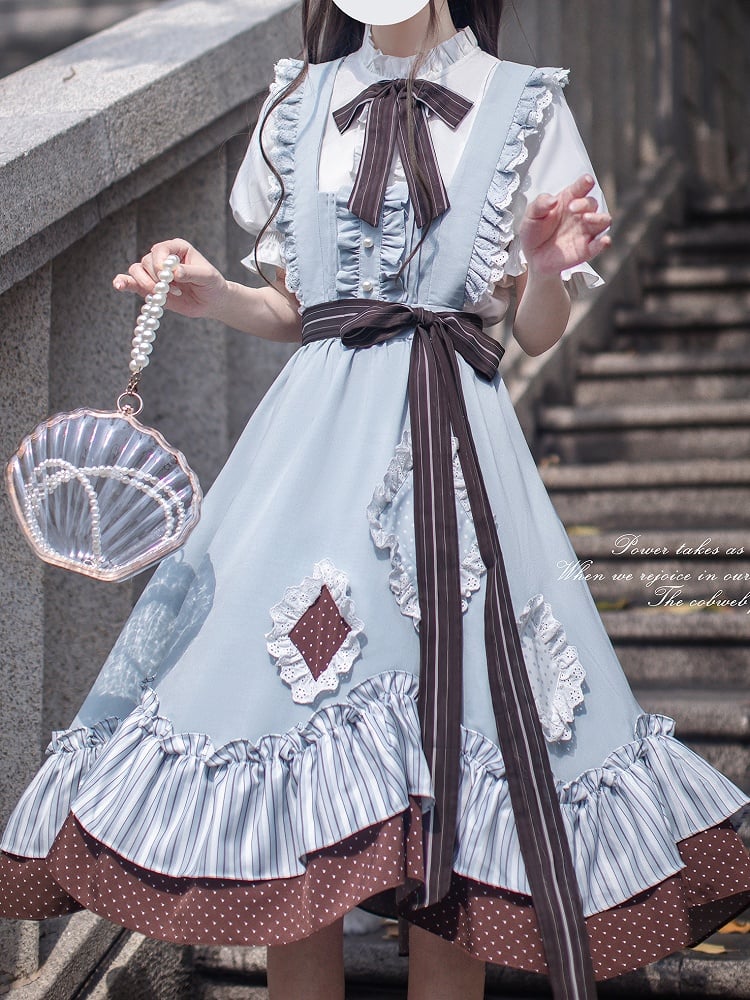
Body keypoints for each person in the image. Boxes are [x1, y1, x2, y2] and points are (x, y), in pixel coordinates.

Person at [2, 2, 750, 999]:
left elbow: (535, 333)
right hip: (309, 465)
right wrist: (213, 296)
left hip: (457, 459)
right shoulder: (297, 100)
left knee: (459, 804)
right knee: (291, 803)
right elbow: (297, 307)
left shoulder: (526, 104)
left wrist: (543, 267)